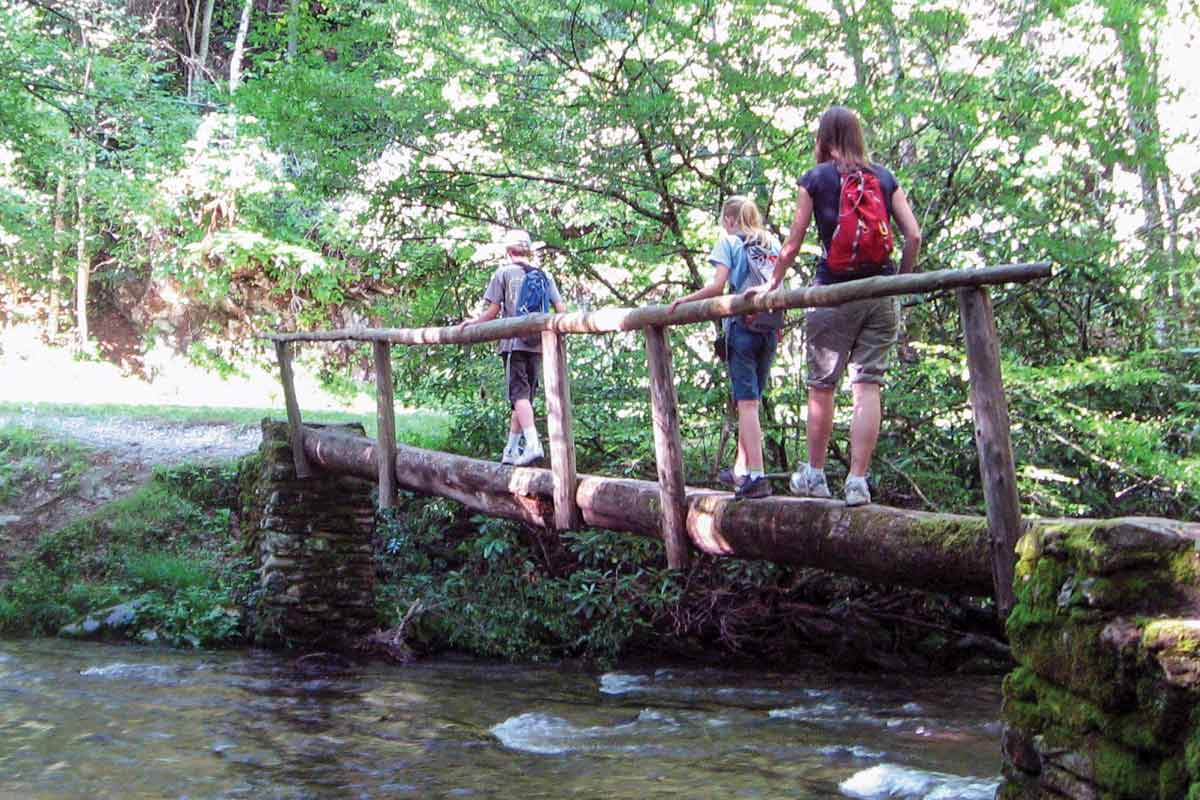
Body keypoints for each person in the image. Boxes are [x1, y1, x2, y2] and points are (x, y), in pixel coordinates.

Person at [757, 105, 922, 506]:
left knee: (822, 385)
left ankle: (814, 475)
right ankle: (857, 482)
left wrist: (772, 283)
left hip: (832, 293)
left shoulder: (815, 179)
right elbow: (913, 235)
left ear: (823, 139)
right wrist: (898, 281)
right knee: (868, 385)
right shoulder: (884, 177)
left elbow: (793, 241)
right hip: (879, 292)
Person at [670, 195, 783, 499]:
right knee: (752, 400)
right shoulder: (770, 242)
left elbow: (717, 286)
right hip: (769, 328)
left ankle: (757, 476)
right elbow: (778, 285)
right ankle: (741, 470)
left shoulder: (730, 241)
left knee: (745, 403)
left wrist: (685, 301)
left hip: (742, 327)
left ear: (729, 220)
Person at [460, 229, 567, 466]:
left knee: (518, 395)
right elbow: (561, 310)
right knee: (524, 398)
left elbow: (493, 310)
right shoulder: (544, 275)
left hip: (514, 344)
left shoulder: (503, 273)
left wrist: (473, 323)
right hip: (539, 345)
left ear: (508, 251)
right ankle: (511, 449)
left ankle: (532, 444)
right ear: (528, 250)